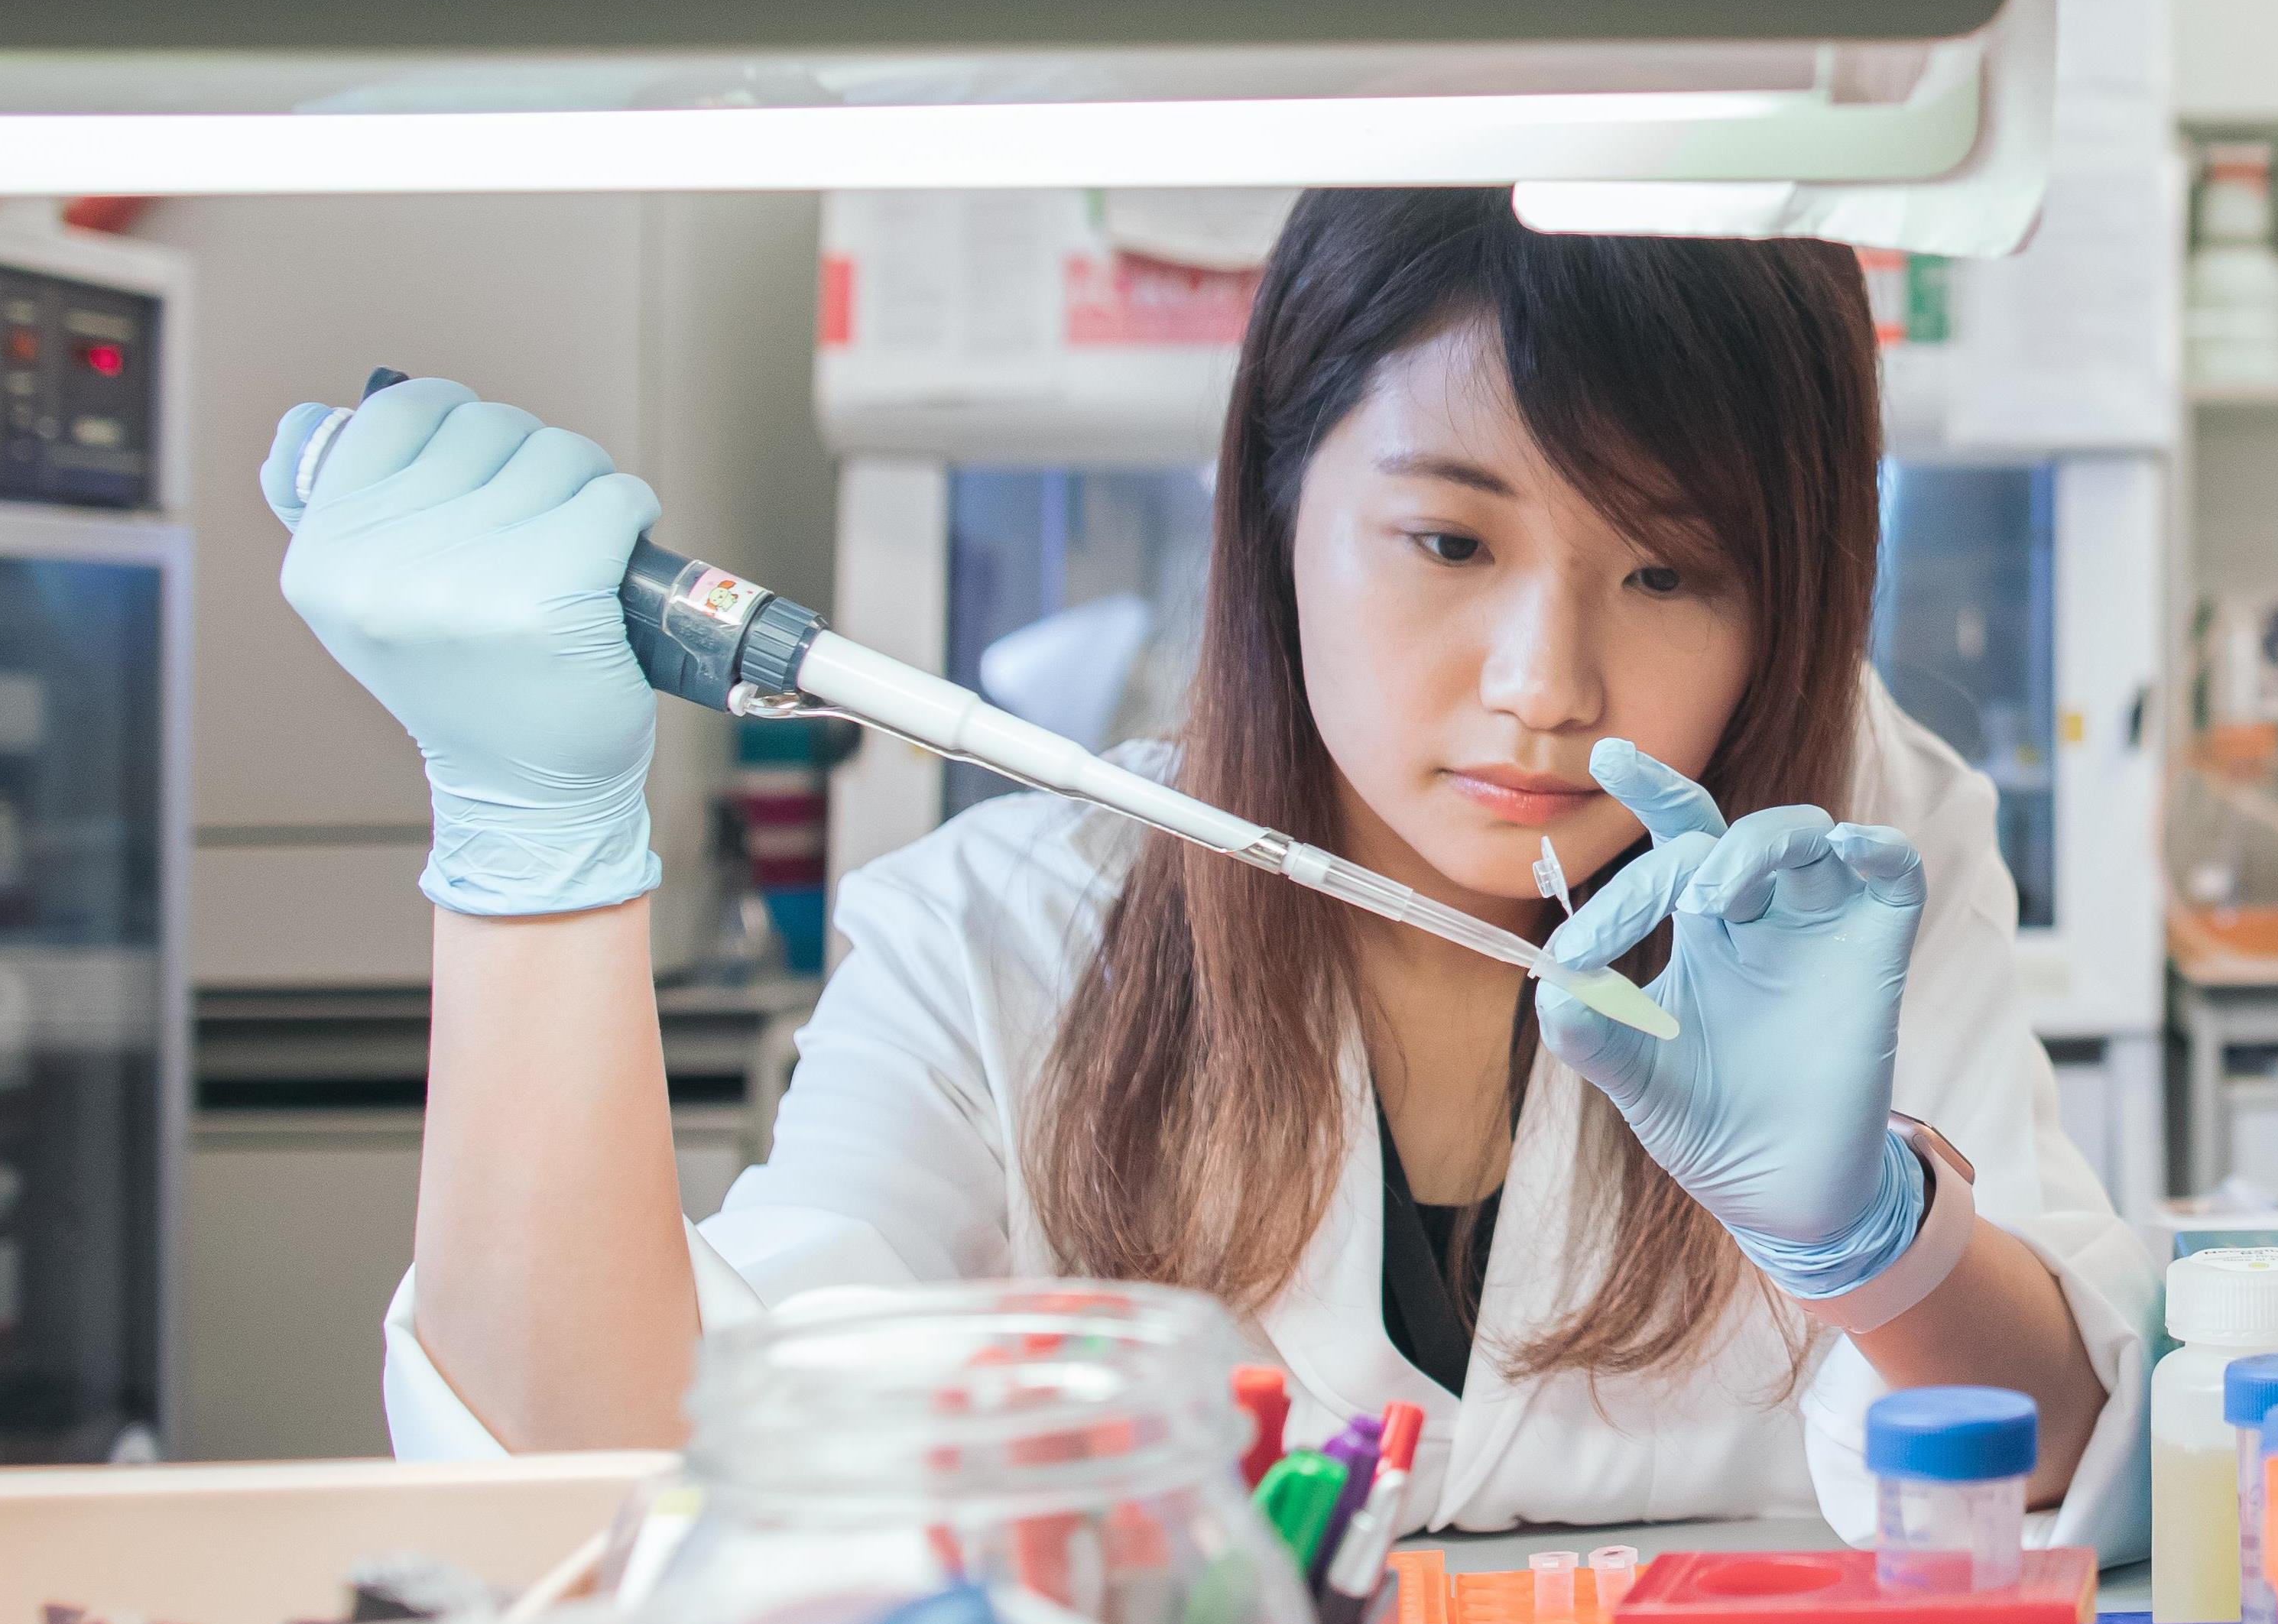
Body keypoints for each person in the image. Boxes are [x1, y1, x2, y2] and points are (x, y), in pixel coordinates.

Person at [261, 188, 2147, 1546]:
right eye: (1443, 541)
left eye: (1668, 571)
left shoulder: (1851, 872)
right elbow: (611, 1497)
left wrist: (1874, 1247)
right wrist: (527, 858)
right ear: (1275, 510)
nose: (1545, 686)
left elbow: (2056, 1457)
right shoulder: (1007, 935)